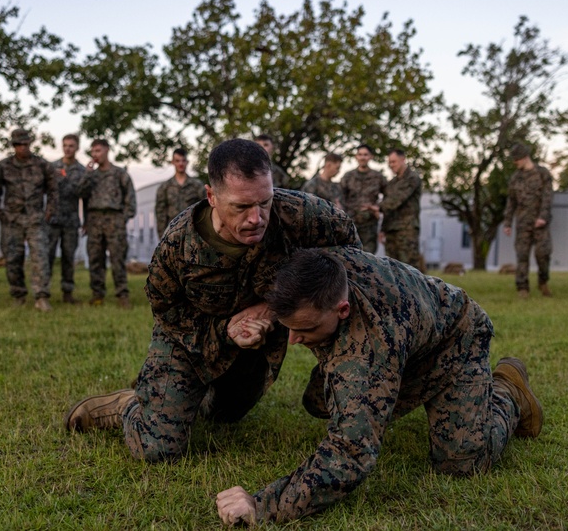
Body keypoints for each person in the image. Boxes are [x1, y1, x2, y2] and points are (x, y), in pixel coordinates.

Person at [63, 138, 361, 463]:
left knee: (224, 416)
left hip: (260, 338)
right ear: (211, 196)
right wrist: (225, 332)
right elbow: (167, 313)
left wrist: (276, 307)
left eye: (264, 202)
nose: (256, 218)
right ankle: (131, 404)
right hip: (190, 340)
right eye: (241, 207)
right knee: (158, 448)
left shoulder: (303, 214)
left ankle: (192, 399)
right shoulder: (177, 245)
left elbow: (354, 258)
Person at [215, 247, 543, 525]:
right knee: (319, 402)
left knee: (461, 462)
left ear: (342, 310)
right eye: (289, 327)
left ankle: (507, 393)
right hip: (409, 334)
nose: (295, 339)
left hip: (456, 335)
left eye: (306, 329)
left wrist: (262, 505)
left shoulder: (369, 346)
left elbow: (352, 453)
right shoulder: (322, 264)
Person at [0, 128, 58, 311]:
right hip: (12, 219)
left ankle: (41, 296)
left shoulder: (43, 165)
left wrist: (49, 211)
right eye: (18, 145)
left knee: (40, 257)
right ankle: (18, 294)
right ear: (13, 146)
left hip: (36, 218)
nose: (22, 148)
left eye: (25, 144)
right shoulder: (2, 166)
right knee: (12, 259)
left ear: (30, 144)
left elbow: (53, 190)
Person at [79, 138, 136, 308]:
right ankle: (97, 294)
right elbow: (80, 192)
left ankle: (122, 294)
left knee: (117, 258)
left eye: (98, 151)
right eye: (93, 151)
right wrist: (87, 174)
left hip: (114, 219)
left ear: (106, 151)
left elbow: (130, 200)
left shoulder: (119, 173)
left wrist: (123, 218)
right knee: (95, 258)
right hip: (95, 220)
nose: (95, 155)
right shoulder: (91, 175)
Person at [503, 143, 554, 298]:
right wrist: (508, 222)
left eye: (517, 159)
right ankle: (522, 288)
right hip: (522, 223)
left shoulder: (542, 173)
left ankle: (543, 282)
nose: (515, 162)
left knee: (543, 254)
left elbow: (548, 197)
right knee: (522, 256)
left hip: (540, 224)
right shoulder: (515, 178)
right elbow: (511, 201)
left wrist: (543, 217)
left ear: (525, 157)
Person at [48, 134, 87, 304]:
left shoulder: (81, 170)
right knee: (47, 256)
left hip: (71, 220)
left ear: (77, 147)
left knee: (68, 257)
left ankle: (67, 292)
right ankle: (43, 291)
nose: (67, 148)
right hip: (52, 220)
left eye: (71, 145)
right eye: (65, 145)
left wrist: (86, 220)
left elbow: (85, 197)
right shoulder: (52, 167)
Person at [380, 148, 424, 271]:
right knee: (392, 268)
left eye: (394, 162)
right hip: (391, 229)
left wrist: (376, 207)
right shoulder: (392, 183)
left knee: (409, 268)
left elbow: (396, 200)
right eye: (389, 162)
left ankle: (415, 291)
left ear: (403, 159)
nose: (391, 165)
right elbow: (387, 209)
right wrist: (383, 229)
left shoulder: (412, 178)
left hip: (407, 229)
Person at [340, 144, 387, 253]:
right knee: (349, 257)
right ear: (356, 157)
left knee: (369, 258)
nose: (362, 157)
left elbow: (388, 196)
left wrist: (378, 208)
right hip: (351, 225)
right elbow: (340, 196)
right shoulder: (348, 176)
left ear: (371, 157)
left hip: (370, 226)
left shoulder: (378, 177)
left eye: (365, 155)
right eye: (360, 154)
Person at [154, 148, 205, 236]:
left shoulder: (197, 186)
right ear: (173, 162)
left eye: (183, 160)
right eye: (177, 161)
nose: (180, 163)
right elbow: (160, 213)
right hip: (172, 235)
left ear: (187, 162)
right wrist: (162, 236)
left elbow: (205, 209)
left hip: (193, 234)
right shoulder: (165, 188)